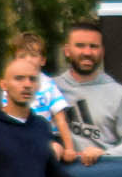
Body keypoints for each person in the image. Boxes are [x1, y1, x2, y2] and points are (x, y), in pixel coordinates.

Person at [56, 21, 122, 163]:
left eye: (94, 46)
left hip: (103, 174)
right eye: (80, 46)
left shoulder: (118, 93)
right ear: (67, 50)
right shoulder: (50, 88)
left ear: (102, 51)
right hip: (57, 176)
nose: (87, 52)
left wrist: (106, 154)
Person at [4, 31, 78, 160]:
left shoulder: (49, 86)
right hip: (17, 136)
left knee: (55, 149)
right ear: (15, 60)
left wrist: (70, 148)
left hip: (45, 138)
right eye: (22, 56)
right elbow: (6, 117)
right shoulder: (11, 85)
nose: (28, 59)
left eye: (33, 55)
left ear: (42, 60)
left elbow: (60, 119)